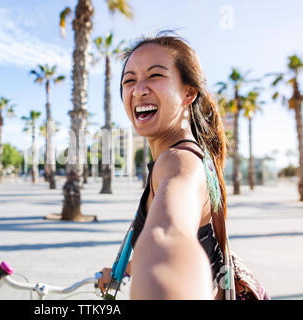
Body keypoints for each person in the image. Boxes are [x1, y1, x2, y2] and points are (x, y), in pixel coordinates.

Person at [98, 31, 229, 300]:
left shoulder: (179, 162)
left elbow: (167, 238)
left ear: (189, 92)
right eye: (129, 81)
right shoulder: (193, 155)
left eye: (155, 75)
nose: (139, 89)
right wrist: (125, 269)